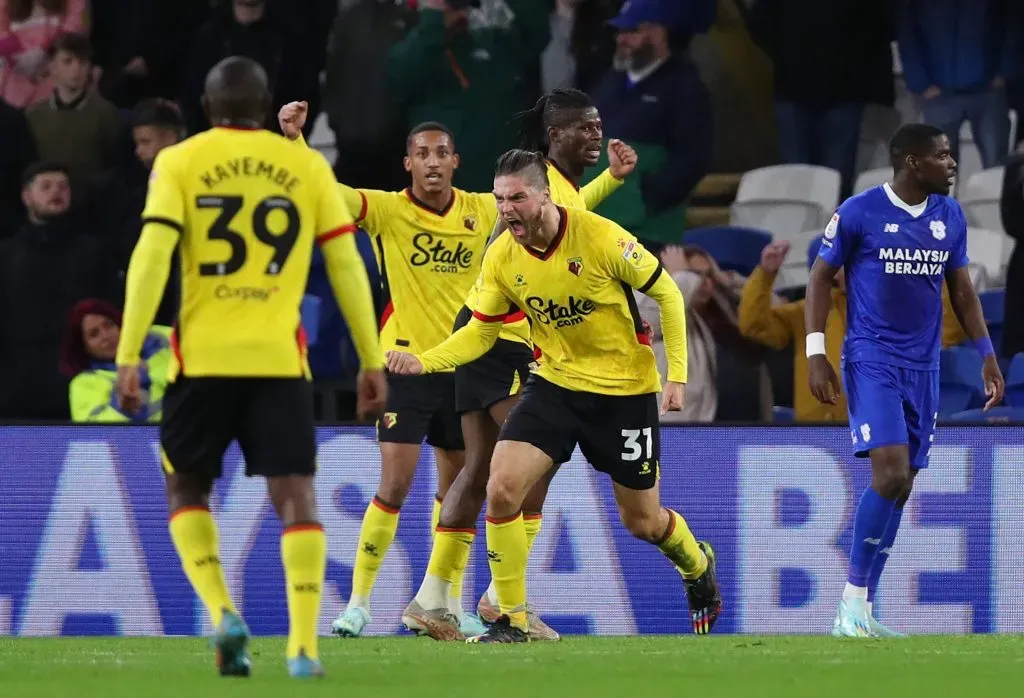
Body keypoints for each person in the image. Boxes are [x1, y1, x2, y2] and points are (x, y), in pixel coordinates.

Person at [114, 56, 386, 678]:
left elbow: (151, 257)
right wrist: (371, 358)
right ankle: (302, 647)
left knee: (186, 487)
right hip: (278, 362)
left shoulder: (178, 163)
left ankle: (221, 612)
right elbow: (348, 266)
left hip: (201, 360)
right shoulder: (305, 165)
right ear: (266, 110)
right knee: (296, 497)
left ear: (205, 110)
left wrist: (129, 352)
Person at [388, 149, 722, 643]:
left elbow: (669, 294)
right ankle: (511, 619)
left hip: (623, 393)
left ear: (545, 195)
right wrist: (427, 360)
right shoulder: (501, 256)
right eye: (500, 199)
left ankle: (698, 568)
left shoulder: (600, 236)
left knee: (644, 521)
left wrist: (676, 378)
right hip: (557, 384)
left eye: (517, 198)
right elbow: (480, 332)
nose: (506, 210)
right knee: (502, 484)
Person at [401, 88, 638, 642]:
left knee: (481, 467)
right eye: (585, 127)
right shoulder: (542, 188)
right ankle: (502, 601)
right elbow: (575, 236)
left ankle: (434, 597)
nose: (596, 135)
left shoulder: (549, 186)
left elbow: (575, 221)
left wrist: (612, 180)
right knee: (534, 459)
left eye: (598, 124)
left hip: (483, 329)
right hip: (503, 337)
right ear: (555, 135)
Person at [279, 101, 499, 639]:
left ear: (455, 162)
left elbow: (552, 202)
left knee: (460, 491)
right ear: (407, 164)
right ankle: (358, 604)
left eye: (441, 154)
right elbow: (324, 192)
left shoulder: (481, 210)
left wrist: (608, 178)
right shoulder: (386, 209)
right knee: (396, 484)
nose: (431, 162)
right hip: (403, 364)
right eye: (421, 154)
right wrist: (295, 141)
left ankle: (443, 603)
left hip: (461, 367)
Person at [806, 123, 1005, 638]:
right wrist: (816, 354)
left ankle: (864, 609)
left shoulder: (949, 215)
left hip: (926, 364)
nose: (952, 163)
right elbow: (819, 277)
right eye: (942, 156)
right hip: (872, 357)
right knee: (890, 474)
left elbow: (961, 290)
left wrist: (987, 354)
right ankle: (849, 602)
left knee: (903, 485)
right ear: (912, 163)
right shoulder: (859, 212)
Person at [61, 298, 172, 422]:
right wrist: (125, 402)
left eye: (108, 325)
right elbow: (96, 436)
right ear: (84, 347)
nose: (105, 336)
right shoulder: (84, 384)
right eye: (94, 334)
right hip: (145, 440)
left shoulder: (160, 338)